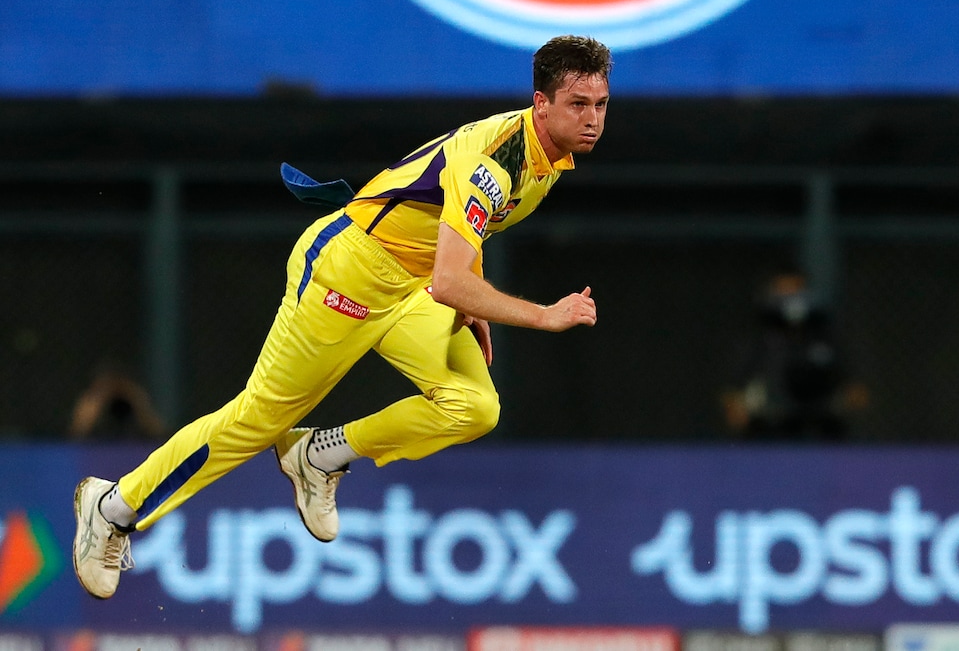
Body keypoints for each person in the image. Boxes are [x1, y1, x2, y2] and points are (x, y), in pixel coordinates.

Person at [72, 35, 612, 600]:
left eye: (601, 104)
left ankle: (319, 456)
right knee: (257, 419)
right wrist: (541, 315)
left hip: (409, 286)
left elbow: (454, 234)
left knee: (475, 407)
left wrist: (469, 297)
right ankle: (112, 507)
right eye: (578, 104)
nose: (592, 119)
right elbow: (450, 279)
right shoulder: (499, 161)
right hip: (346, 274)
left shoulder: (547, 155)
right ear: (540, 103)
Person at [720, 270, 867, 441]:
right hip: (771, 425)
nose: (790, 298)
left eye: (795, 290)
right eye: (784, 291)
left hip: (819, 423)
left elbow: (857, 391)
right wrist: (736, 407)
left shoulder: (823, 337)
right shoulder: (759, 339)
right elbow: (731, 391)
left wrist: (845, 399)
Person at [69, 361, 166, 442]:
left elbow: (157, 433)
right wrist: (97, 399)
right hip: (95, 454)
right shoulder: (91, 403)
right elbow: (76, 435)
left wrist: (136, 400)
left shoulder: (135, 400)